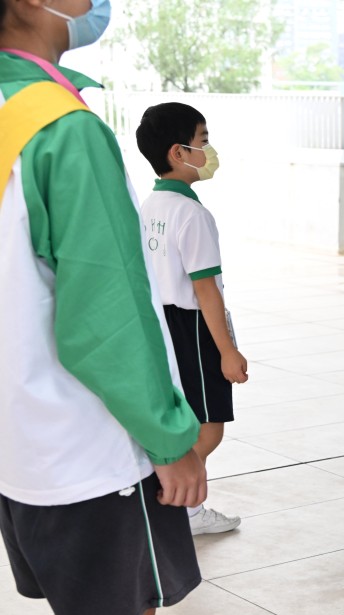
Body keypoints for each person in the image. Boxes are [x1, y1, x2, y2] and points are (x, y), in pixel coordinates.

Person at [0, 2, 206, 615]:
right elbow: (105, 315)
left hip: (19, 438)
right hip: (89, 444)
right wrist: (169, 440)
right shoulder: (58, 127)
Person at [136, 102, 246, 535]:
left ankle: (176, 503)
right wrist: (228, 351)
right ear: (177, 153)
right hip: (192, 326)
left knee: (183, 420)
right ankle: (180, 505)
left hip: (160, 324)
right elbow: (205, 290)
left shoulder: (149, 206)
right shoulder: (193, 215)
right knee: (208, 428)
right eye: (202, 141)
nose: (209, 151)